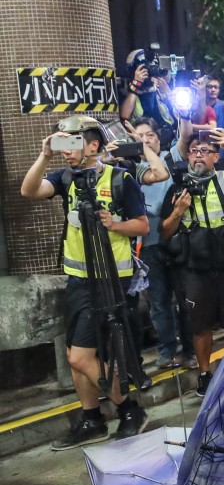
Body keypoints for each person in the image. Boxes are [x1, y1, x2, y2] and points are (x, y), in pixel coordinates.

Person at [21, 116, 149, 450]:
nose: (66, 151)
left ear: (94, 145)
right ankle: (92, 418)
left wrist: (114, 224)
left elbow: (142, 226)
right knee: (76, 353)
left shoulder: (120, 179)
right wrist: (44, 155)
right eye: (62, 143)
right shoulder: (65, 178)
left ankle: (129, 409)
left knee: (81, 357)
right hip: (79, 279)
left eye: (72, 143)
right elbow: (29, 190)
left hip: (113, 279)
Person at [158, 123, 224, 397]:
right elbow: (163, 231)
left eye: (206, 151)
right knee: (200, 327)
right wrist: (177, 212)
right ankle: (204, 374)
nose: (199, 155)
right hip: (194, 269)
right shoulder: (177, 187)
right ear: (188, 156)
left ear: (215, 157)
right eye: (194, 150)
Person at [129, 119, 196, 370]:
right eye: (140, 136)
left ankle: (189, 351)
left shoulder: (169, 157)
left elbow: (186, 134)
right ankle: (167, 351)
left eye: (150, 135)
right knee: (159, 302)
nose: (145, 140)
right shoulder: (132, 168)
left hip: (178, 242)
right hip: (149, 245)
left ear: (158, 137)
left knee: (185, 300)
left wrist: (184, 112)